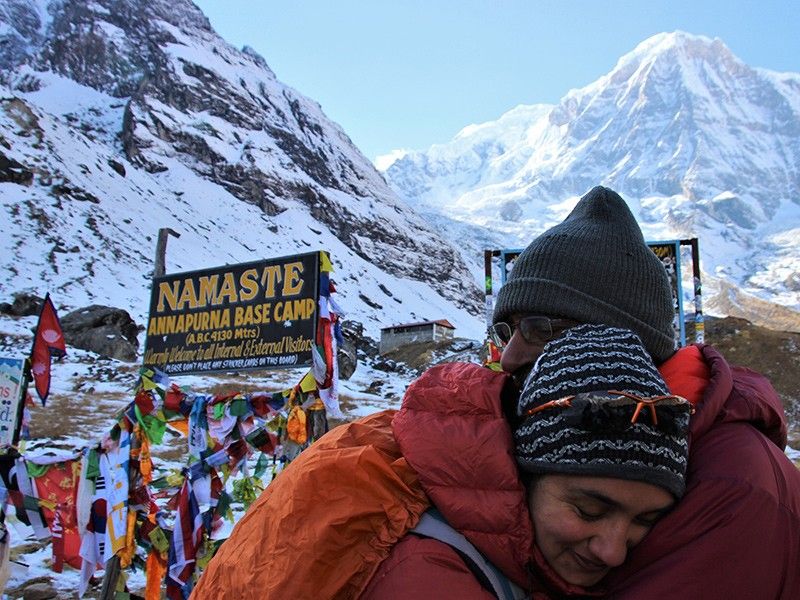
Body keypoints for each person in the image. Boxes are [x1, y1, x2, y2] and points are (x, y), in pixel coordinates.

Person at [192, 324, 691, 600]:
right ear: (524, 472)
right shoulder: (431, 572)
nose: (613, 551)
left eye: (645, 520)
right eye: (588, 510)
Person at [491, 185, 800, 598]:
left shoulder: (726, 481)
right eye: (507, 331)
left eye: (539, 329)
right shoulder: (673, 440)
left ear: (619, 342)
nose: (508, 358)